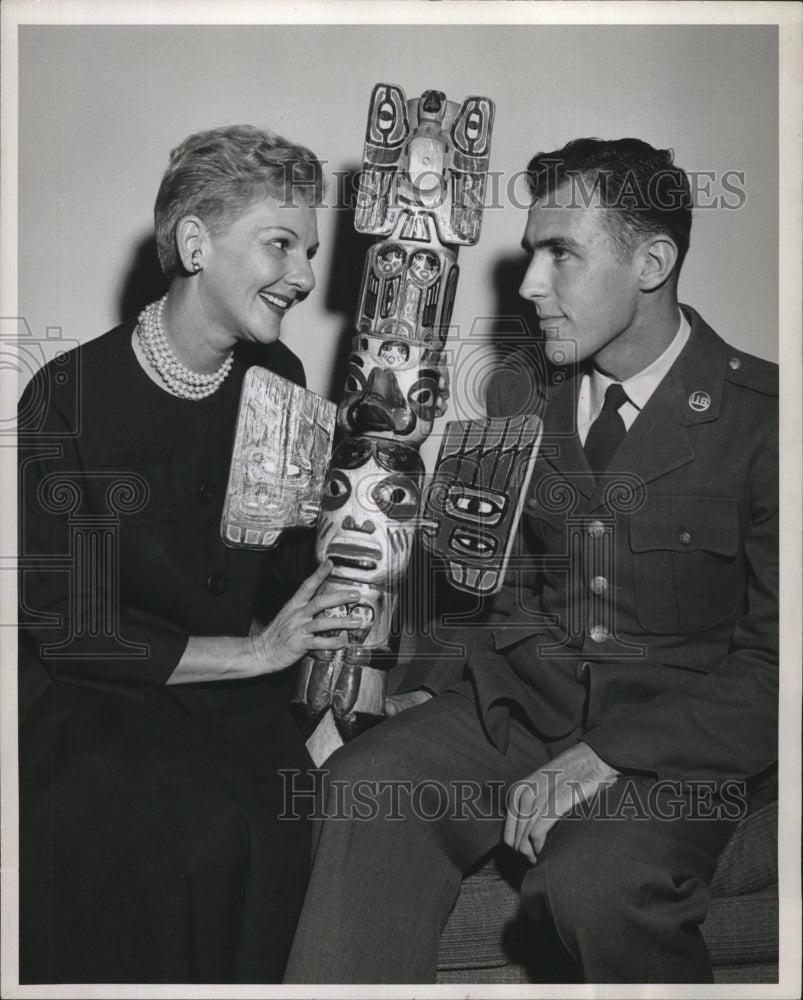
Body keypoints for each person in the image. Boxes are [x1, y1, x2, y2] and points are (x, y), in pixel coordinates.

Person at [282, 138, 779, 984]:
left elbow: (779, 665)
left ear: (651, 262)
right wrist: (417, 693)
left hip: (673, 748)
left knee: (596, 877)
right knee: (364, 789)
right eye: (529, 252)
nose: (528, 285)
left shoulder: (764, 420)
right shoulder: (518, 398)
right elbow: (486, 591)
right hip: (523, 713)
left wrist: (607, 756)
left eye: (562, 254)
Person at [17, 125, 364, 983]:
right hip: (100, 705)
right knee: (167, 840)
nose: (305, 276)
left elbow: (288, 573)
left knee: (276, 829)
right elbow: (71, 632)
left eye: (310, 249)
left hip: (240, 707)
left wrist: (359, 538)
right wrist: (254, 652)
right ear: (195, 242)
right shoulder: (67, 395)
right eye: (279, 244)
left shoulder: (278, 377)